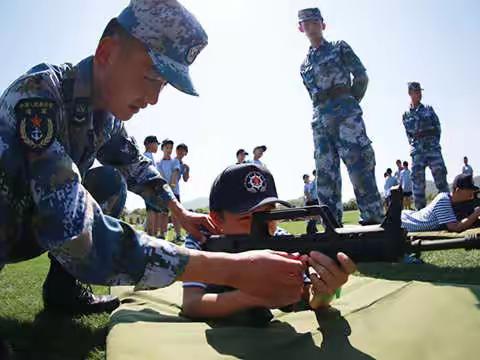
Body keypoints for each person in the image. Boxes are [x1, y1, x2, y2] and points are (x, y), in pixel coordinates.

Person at [0, 0, 306, 338]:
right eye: (151, 78)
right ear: (107, 53)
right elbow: (74, 230)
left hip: (29, 226)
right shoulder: (39, 96)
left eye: (163, 85)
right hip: (12, 220)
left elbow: (136, 165)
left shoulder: (106, 117)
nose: (154, 98)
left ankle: (64, 292)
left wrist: (177, 211)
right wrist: (231, 270)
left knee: (110, 182)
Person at [182, 164, 356, 322]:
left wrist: (324, 294)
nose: (265, 225)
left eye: (270, 214)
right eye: (248, 217)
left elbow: (308, 296)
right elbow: (192, 303)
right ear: (217, 219)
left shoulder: (281, 239)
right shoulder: (201, 241)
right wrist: (254, 296)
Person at [298, 7, 384, 226]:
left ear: (322, 24)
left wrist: (350, 103)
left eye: (314, 21)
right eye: (305, 23)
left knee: (359, 166)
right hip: (320, 121)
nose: (310, 26)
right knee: (325, 174)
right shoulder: (304, 65)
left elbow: (361, 76)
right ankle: (331, 225)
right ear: (300, 28)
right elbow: (312, 96)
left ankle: (373, 220)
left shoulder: (339, 48)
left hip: (346, 117)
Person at [402, 82, 449, 210]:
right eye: (416, 92)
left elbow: (438, 127)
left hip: (432, 148)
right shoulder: (406, 115)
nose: (419, 94)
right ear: (410, 93)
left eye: (420, 91)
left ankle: (447, 209)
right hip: (417, 152)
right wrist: (415, 146)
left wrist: (433, 143)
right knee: (417, 182)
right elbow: (409, 134)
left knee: (441, 178)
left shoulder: (428, 109)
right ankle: (421, 212)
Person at [402, 174, 480, 233]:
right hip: (405, 223)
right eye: (469, 190)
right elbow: (455, 227)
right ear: (458, 190)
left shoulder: (456, 202)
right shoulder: (443, 200)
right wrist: (476, 213)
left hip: (410, 216)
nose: (472, 193)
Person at [170, 143, 190, 242]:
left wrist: (187, 170)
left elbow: (185, 179)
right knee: (175, 213)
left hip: (176, 191)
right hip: (170, 190)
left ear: (186, 153)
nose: (181, 152)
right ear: (176, 151)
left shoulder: (182, 165)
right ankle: (177, 235)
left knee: (176, 214)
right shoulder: (173, 161)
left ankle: (178, 234)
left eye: (183, 151)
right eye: (179, 150)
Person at [143, 135, 162, 236]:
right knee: (151, 211)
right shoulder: (146, 156)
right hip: (150, 186)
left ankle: (154, 235)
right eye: (156, 144)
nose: (157, 146)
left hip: (151, 187)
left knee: (155, 211)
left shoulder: (150, 156)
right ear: (149, 144)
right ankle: (151, 236)